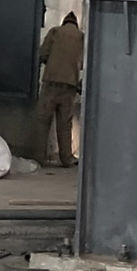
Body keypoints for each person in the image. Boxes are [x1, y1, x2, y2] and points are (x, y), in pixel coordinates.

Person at [32, 11, 83, 167]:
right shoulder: (82, 37)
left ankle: (39, 158)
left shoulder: (55, 32)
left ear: (64, 22)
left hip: (51, 83)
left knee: (43, 121)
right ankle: (66, 159)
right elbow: (85, 62)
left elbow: (43, 54)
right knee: (65, 124)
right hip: (70, 86)